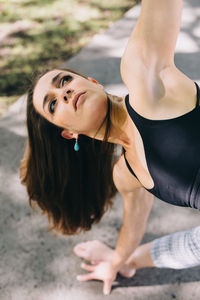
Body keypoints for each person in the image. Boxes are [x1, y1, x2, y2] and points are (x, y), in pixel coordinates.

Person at [20, 0, 200, 296]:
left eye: (64, 80)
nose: (63, 91)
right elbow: (134, 227)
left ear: (91, 82)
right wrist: (117, 261)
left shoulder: (145, 81)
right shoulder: (127, 174)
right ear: (68, 133)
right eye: (53, 104)